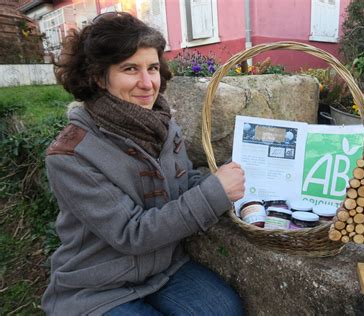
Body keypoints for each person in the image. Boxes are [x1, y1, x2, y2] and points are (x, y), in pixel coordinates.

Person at [42, 12, 245, 316]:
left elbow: (184, 181)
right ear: (99, 77)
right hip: (97, 288)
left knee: (224, 309)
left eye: (152, 68)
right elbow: (131, 232)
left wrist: (227, 181)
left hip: (163, 269)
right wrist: (214, 193)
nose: (148, 83)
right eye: (130, 69)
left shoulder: (162, 124)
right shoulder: (70, 155)